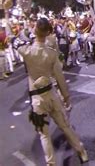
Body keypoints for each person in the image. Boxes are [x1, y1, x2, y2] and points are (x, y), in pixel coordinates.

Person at [17, 18, 88, 165]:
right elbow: (60, 77)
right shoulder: (51, 53)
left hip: (37, 99)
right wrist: (66, 96)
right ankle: (81, 151)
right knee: (65, 127)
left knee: (44, 135)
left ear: (35, 30)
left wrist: (6, 12)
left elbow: (14, 39)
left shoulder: (27, 51)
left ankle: (51, 163)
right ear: (48, 32)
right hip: (52, 94)